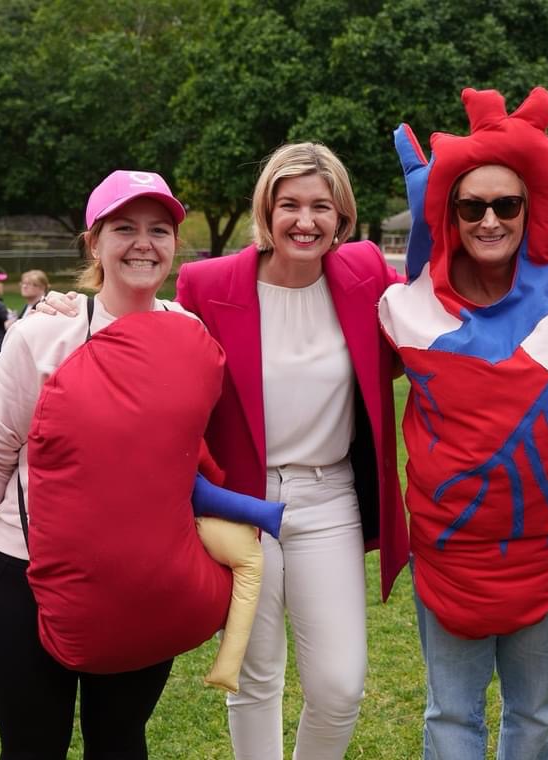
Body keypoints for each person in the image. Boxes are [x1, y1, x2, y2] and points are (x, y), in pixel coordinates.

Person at [379, 87, 548, 759]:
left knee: (534, 718)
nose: (489, 220)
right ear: (449, 212)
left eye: (506, 205)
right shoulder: (406, 310)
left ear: (530, 209)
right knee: (450, 719)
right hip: (449, 553)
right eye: (471, 205)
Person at [175, 142, 409, 760]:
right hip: (242, 502)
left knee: (339, 684)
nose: (305, 221)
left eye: (320, 207)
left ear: (342, 218)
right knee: (256, 677)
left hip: (329, 495)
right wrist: (64, 308)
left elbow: (444, 297)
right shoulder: (207, 284)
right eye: (289, 205)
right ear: (266, 211)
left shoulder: (366, 276)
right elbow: (155, 348)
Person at [0, 170, 199, 758]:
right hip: (26, 580)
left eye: (159, 229)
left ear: (175, 244)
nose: (143, 243)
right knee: (31, 747)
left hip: (139, 588)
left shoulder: (191, 334)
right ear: (93, 242)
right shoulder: (42, 333)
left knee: (121, 743)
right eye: (123, 228)